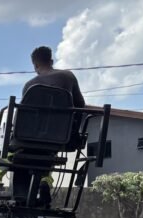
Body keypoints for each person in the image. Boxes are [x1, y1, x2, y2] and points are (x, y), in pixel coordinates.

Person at [8, 46, 86, 208]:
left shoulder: (30, 85)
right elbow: (80, 106)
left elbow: (24, 117)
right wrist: (73, 133)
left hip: (27, 139)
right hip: (57, 138)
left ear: (35, 66)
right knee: (46, 153)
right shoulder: (68, 76)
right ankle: (44, 182)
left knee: (18, 156)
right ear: (51, 61)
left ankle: (21, 196)